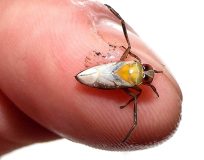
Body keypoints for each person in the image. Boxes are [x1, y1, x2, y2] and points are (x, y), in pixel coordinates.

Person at [0, 0, 182, 155]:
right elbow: (135, 92)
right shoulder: (136, 83)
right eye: (147, 72)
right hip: (108, 77)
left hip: (106, 74)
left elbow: (128, 51)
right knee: (134, 95)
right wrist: (132, 99)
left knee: (133, 92)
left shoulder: (134, 64)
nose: (147, 72)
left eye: (148, 76)